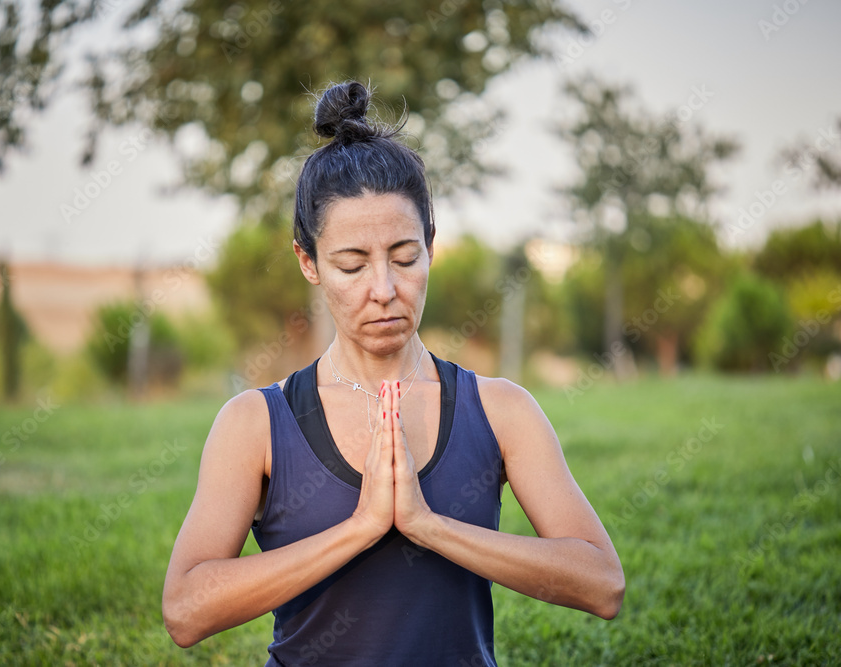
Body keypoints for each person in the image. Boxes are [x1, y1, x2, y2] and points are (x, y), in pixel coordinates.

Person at [162, 81, 624, 666]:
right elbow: (186, 610)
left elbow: (601, 584)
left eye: (405, 258)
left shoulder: (500, 410)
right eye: (351, 265)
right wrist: (361, 528)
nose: (384, 289)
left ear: (430, 246)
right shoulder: (256, 423)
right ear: (308, 262)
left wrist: (428, 526)